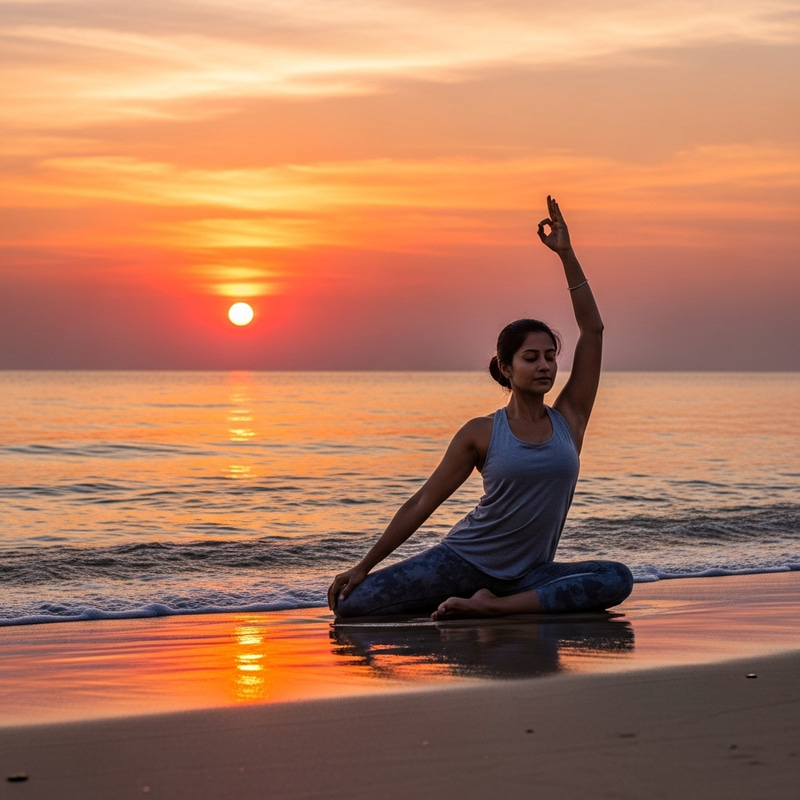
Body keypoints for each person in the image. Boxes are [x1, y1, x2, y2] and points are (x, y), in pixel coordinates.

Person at [327, 196, 633, 620]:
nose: (544, 366)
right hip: (462, 562)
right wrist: (364, 565)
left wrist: (567, 254)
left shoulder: (570, 420)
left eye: (550, 356)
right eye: (531, 358)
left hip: (530, 575)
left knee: (616, 578)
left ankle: (494, 607)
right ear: (506, 368)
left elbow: (593, 330)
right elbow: (423, 501)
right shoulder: (482, 432)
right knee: (351, 605)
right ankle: (482, 602)